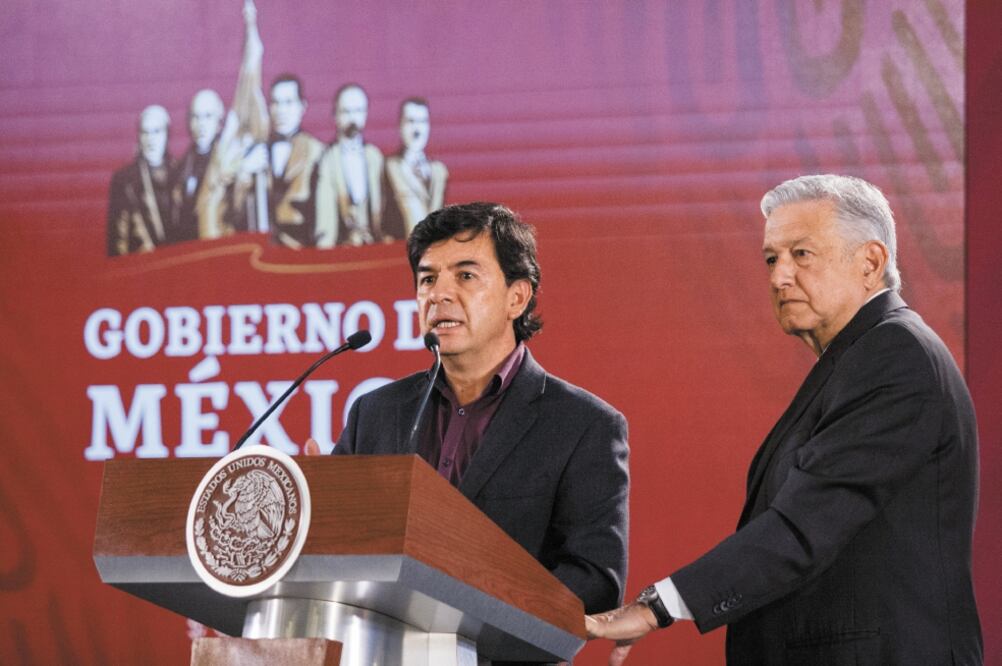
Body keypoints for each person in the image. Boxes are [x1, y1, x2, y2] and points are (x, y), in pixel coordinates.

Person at [586, 174, 982, 665]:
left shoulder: (895, 354)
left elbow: (803, 527)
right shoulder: (860, 356)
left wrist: (658, 607)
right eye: (772, 259)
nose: (778, 277)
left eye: (802, 254)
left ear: (871, 262)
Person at [311, 202, 629, 625]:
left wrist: (467, 607)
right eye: (427, 279)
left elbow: (595, 581)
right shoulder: (376, 412)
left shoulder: (583, 425)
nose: (439, 294)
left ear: (517, 297)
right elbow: (341, 551)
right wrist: (315, 514)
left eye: (465, 275)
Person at [198, 1, 324, 247]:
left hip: (304, 256)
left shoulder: (317, 152)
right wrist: (244, 170)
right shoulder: (254, 147)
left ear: (302, 107)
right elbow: (230, 210)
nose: (281, 110)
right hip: (260, 259)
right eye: (276, 103)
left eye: (288, 102)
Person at [315, 83, 385, 247]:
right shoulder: (327, 160)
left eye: (359, 111)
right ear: (335, 115)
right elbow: (324, 221)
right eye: (346, 111)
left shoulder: (375, 157)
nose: (353, 118)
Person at [106, 104, 171, 256]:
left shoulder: (179, 171)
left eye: (156, 131)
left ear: (167, 134)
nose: (151, 139)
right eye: (145, 133)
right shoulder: (124, 180)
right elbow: (118, 238)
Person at [382, 97, 449, 240]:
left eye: (422, 121)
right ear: (400, 125)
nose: (417, 129)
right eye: (410, 121)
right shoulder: (388, 167)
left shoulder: (439, 171)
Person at [168, 89, 224, 245]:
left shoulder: (230, 165)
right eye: (196, 117)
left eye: (208, 116)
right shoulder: (180, 168)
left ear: (219, 121)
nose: (201, 124)